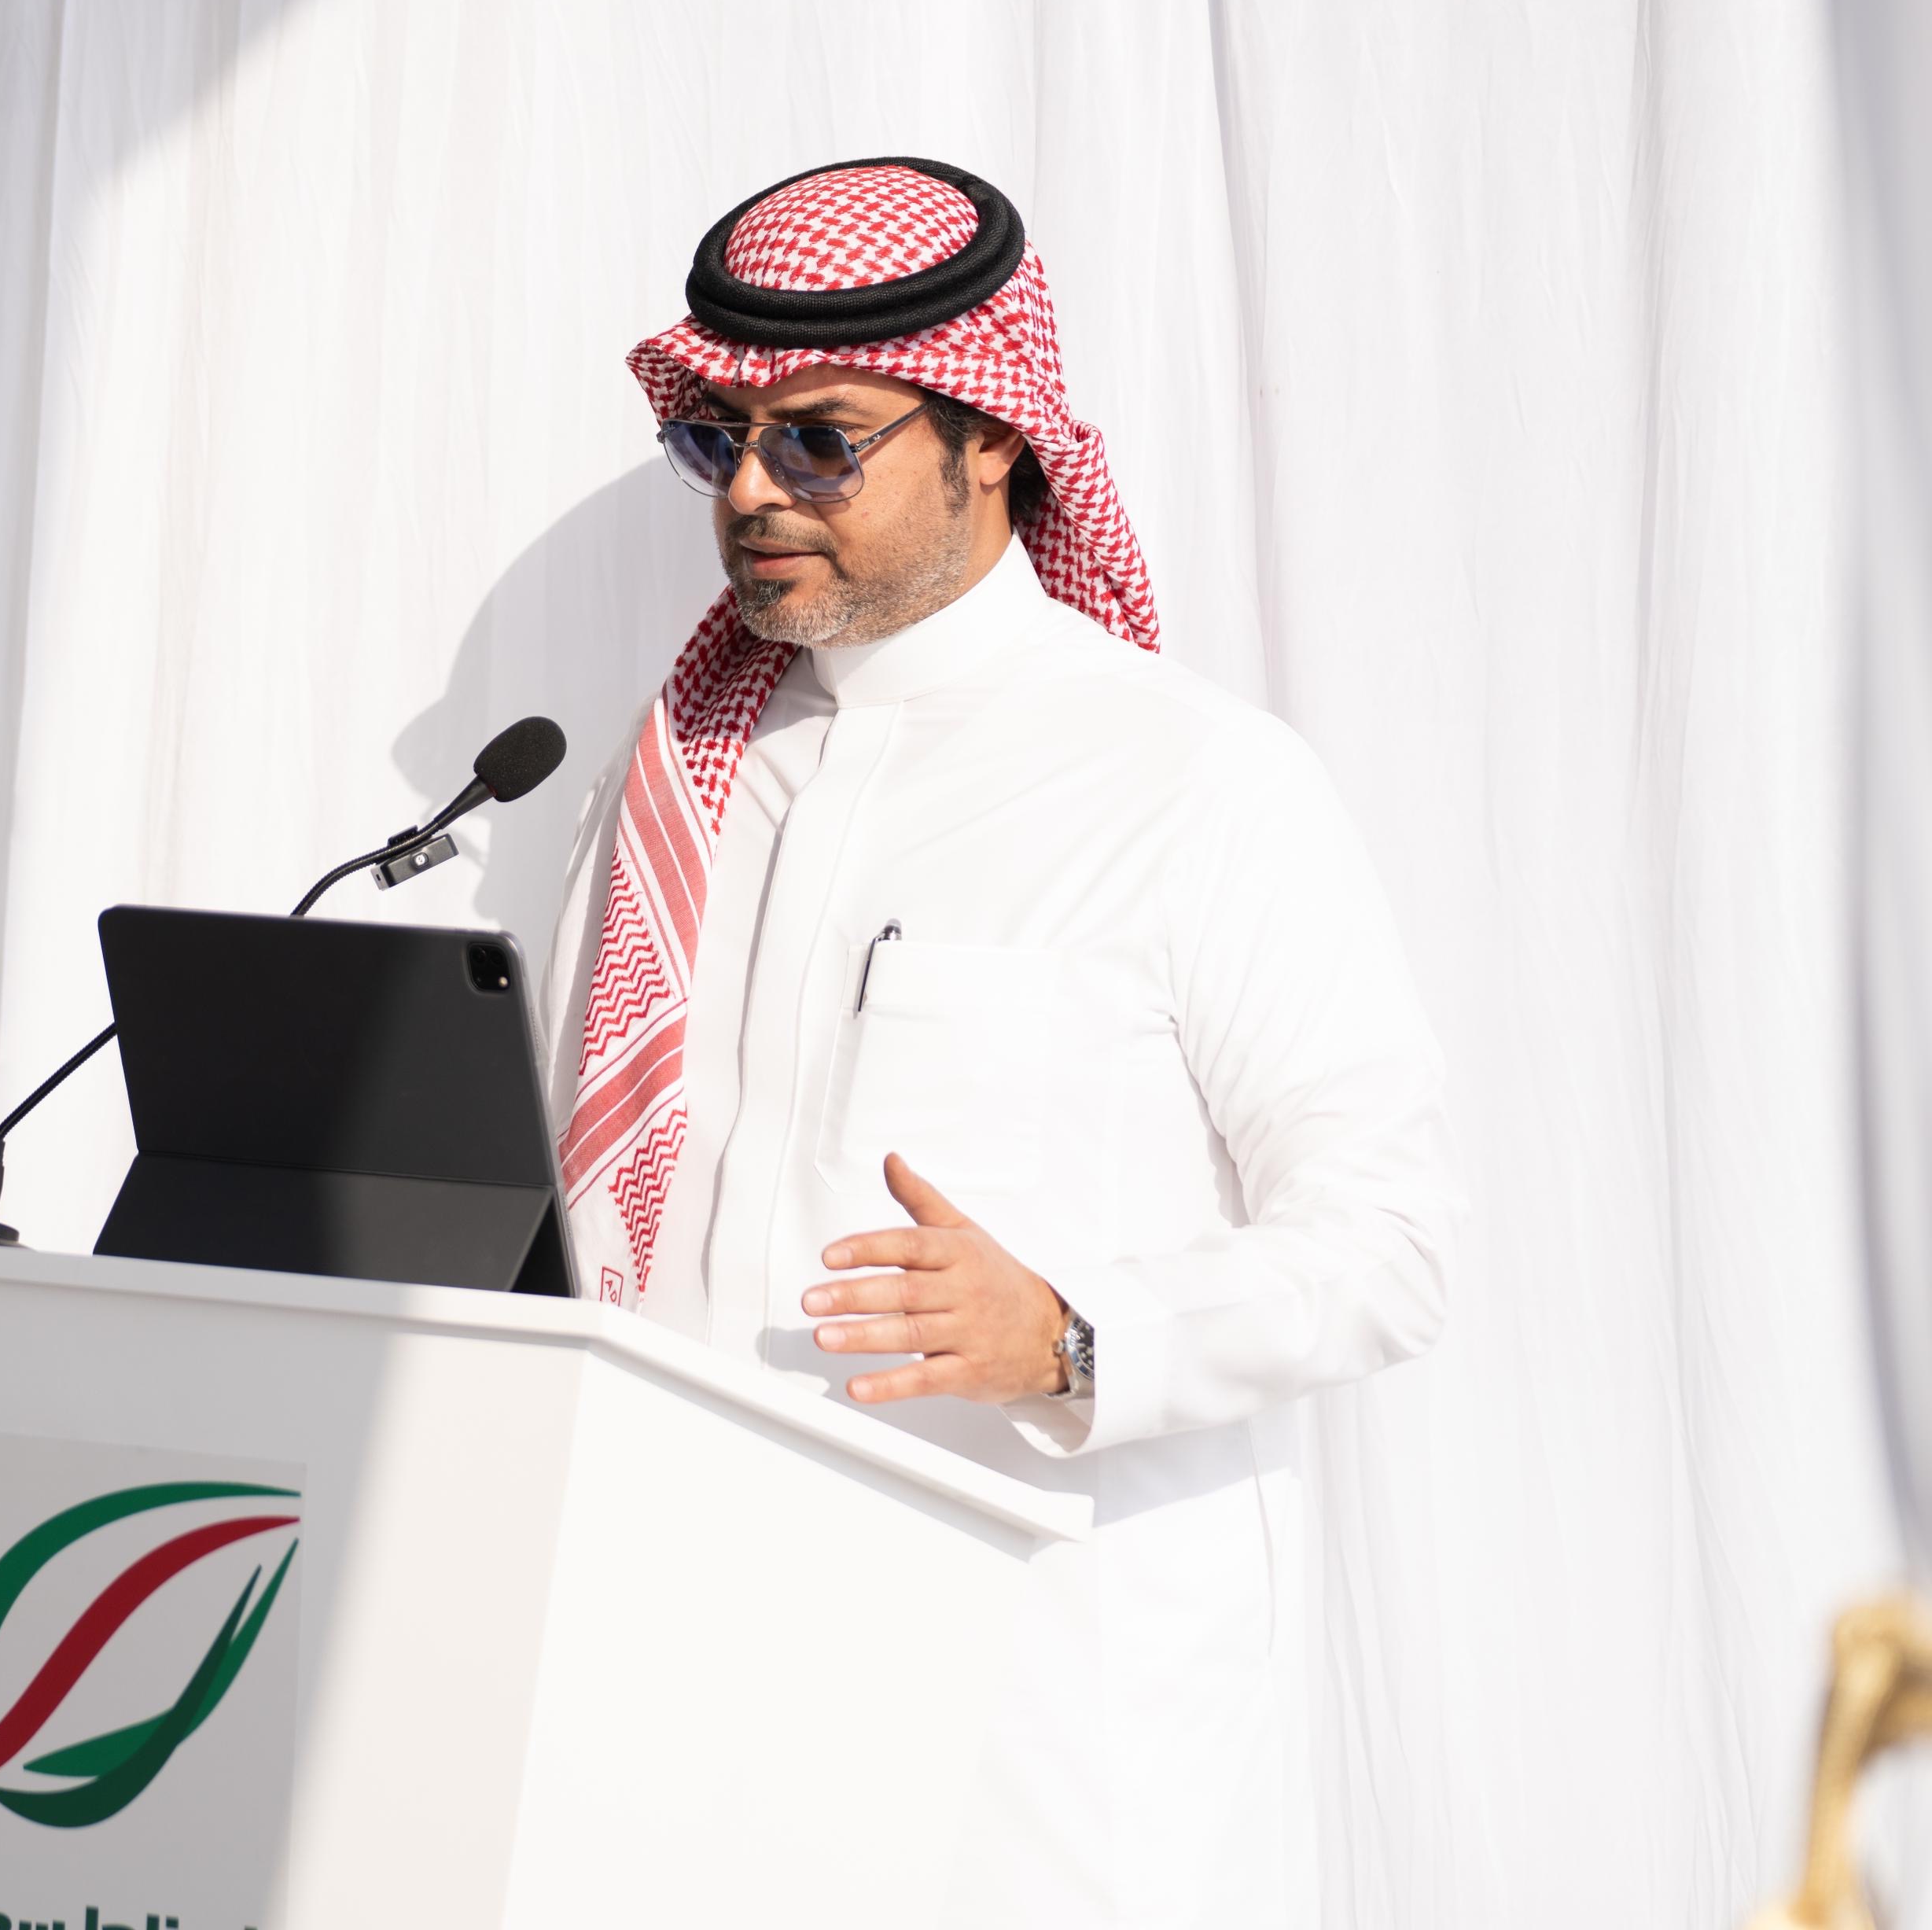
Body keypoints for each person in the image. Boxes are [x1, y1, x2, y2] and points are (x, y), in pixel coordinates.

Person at [535, 157, 1457, 1930]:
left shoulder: (1192, 781)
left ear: (989, 441)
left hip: (1033, 1706)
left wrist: (1072, 1335)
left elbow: (1390, 1242)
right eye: (719, 439)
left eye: (820, 441)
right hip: (677, 1670)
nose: (751, 491)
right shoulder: (674, 788)